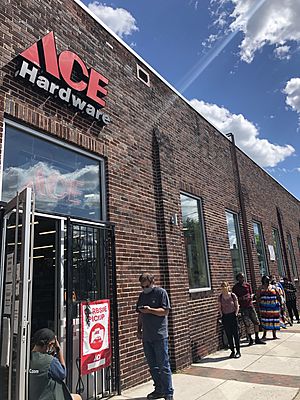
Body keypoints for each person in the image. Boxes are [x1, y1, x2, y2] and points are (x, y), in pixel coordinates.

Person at [136, 272, 174, 400]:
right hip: (147, 336)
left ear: (152, 283)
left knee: (163, 365)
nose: (144, 289)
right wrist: (139, 329)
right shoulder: (142, 296)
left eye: (146, 286)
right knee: (153, 366)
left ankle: (168, 393)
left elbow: (165, 311)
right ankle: (159, 389)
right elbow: (140, 314)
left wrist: (150, 310)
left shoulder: (161, 293)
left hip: (159, 335)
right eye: (142, 287)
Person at [29, 328, 82, 400]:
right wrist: (58, 349)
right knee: (78, 397)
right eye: (52, 345)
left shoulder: (26, 358)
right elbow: (63, 373)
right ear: (49, 344)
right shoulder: (50, 361)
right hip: (49, 397)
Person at [232, 272, 265, 345]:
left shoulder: (247, 285)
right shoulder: (235, 288)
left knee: (256, 322)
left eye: (243, 277)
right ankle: (250, 339)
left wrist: (250, 297)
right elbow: (235, 298)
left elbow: (250, 293)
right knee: (247, 324)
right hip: (243, 308)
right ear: (237, 279)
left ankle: (257, 338)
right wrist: (242, 298)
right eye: (241, 277)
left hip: (250, 306)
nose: (242, 279)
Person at [218, 281, 241, 358]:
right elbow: (220, 307)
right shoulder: (220, 297)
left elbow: (236, 305)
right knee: (229, 334)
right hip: (225, 316)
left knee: (235, 334)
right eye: (222, 287)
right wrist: (222, 315)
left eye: (225, 286)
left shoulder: (232, 295)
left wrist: (236, 314)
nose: (224, 288)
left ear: (228, 287)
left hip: (233, 315)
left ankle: (238, 351)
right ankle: (232, 351)